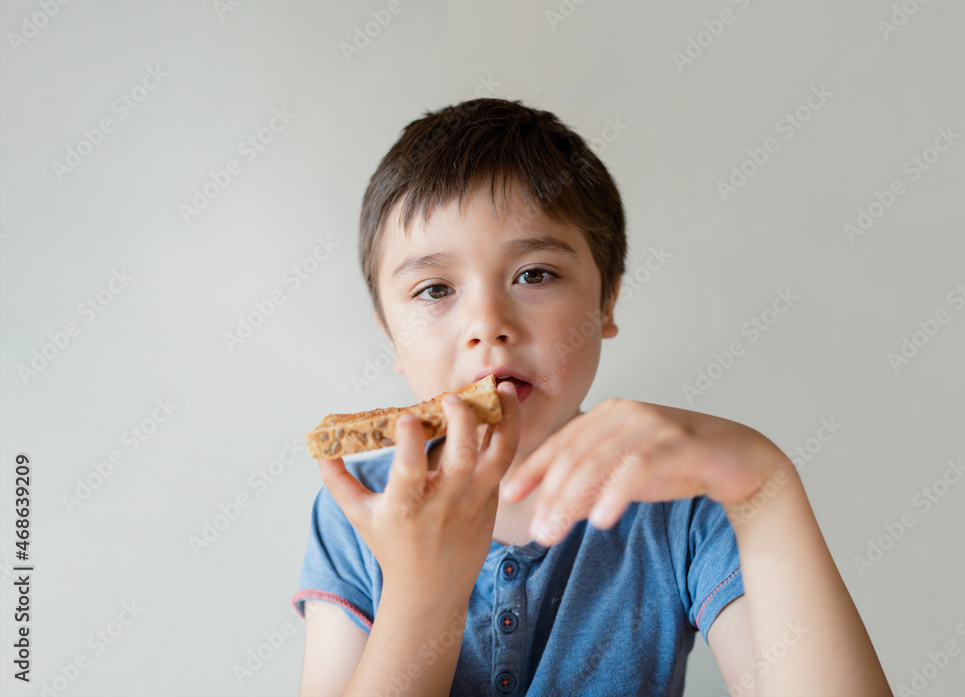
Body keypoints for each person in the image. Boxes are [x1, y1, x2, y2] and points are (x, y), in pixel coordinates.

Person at [291, 98, 891, 696]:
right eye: (435, 288)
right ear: (391, 336)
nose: (487, 323)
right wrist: (422, 593)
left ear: (605, 302)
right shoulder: (359, 512)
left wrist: (766, 485)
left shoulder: (679, 503)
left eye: (534, 274)